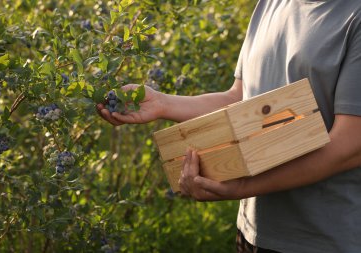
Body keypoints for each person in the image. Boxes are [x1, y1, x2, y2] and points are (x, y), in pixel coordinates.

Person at [97, 0, 361, 252]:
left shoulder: (354, 15)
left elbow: (348, 147)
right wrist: (163, 104)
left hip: (326, 240)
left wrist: (243, 187)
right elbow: (240, 99)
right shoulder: (271, 4)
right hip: (253, 233)